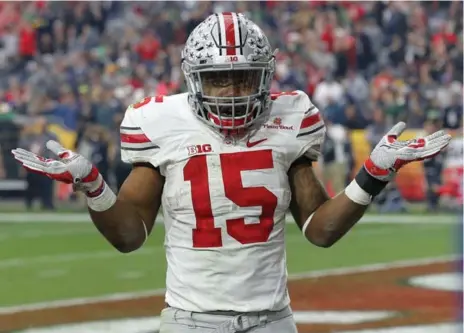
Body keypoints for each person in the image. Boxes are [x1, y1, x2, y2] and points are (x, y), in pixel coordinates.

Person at [12, 12, 451, 333]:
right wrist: (92, 184)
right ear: (193, 79)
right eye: (219, 78)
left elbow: (319, 229)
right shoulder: (161, 123)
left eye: (244, 77)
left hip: (272, 320)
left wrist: (374, 172)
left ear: (265, 76)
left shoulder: (290, 118)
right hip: (191, 321)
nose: (233, 91)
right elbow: (129, 237)